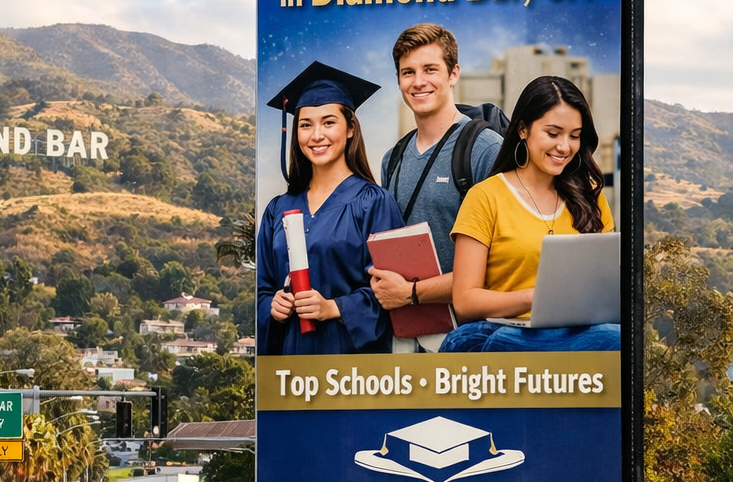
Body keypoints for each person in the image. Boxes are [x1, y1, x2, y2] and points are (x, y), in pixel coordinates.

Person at [441, 74, 620, 352]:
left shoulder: (591, 197)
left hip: (578, 335)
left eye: (574, 136)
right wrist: (534, 298)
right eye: (553, 134)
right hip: (506, 333)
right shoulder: (485, 197)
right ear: (523, 129)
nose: (564, 147)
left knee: (616, 336)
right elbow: (465, 302)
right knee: (505, 340)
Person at [257, 61, 404, 355]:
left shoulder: (374, 203)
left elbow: (394, 294)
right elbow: (261, 289)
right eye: (305, 125)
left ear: (350, 129)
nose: (316, 136)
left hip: (351, 367)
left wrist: (334, 307)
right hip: (291, 367)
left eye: (328, 122)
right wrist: (272, 305)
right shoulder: (277, 210)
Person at [369, 23, 503, 339]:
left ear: (453, 74)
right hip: (407, 336)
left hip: (471, 339)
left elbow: (500, 266)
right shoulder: (393, 158)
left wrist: (412, 293)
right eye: (408, 72)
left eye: (430, 69)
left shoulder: (485, 149)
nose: (418, 82)